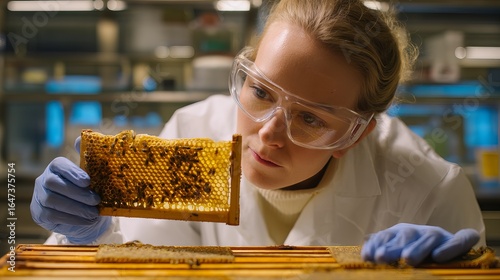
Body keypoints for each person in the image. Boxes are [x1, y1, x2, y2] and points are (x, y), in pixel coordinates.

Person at [31, 0, 485, 267]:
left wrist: (442, 275)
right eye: (261, 92)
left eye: (310, 118)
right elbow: (149, 263)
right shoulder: (192, 132)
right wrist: (88, 235)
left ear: (355, 136)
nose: (269, 134)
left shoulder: (426, 189)